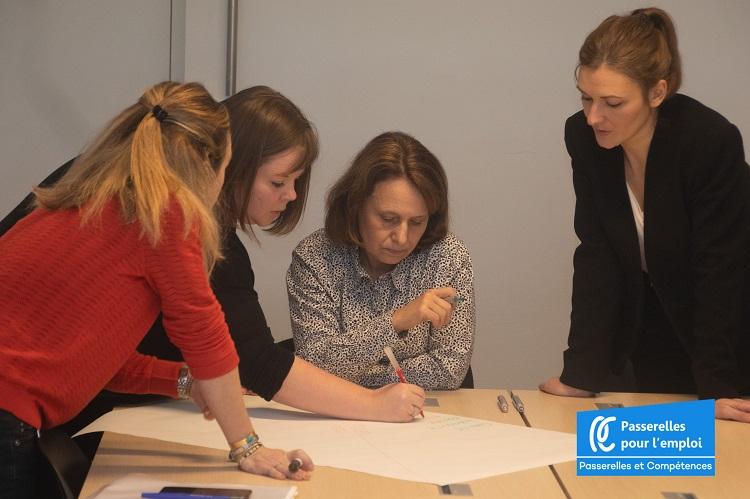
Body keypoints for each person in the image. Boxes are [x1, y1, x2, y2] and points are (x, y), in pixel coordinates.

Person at [0, 86, 425, 441]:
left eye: (297, 181)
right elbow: (251, 360)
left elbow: (95, 344)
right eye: (279, 181)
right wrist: (250, 447)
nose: (292, 195)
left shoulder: (105, 176)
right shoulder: (175, 218)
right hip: (47, 412)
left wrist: (184, 380)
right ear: (229, 165)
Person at [0, 82, 314, 497]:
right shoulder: (167, 215)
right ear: (215, 168)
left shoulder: (100, 201)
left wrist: (183, 381)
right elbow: (206, 337)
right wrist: (248, 447)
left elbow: (94, 358)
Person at [538, 7, 750, 423]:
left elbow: (721, 271)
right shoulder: (583, 137)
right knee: (652, 449)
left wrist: (718, 388)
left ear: (657, 93)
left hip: (732, 333)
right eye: (586, 97)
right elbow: (597, 255)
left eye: (613, 103)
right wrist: (580, 373)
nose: (593, 117)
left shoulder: (708, 142)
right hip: (655, 325)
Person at [288, 131, 475, 390]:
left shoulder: (448, 257)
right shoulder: (314, 257)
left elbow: (449, 369)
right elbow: (314, 364)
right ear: (355, 205)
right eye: (388, 219)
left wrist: (354, 375)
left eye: (417, 222)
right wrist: (397, 321)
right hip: (337, 410)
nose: (402, 238)